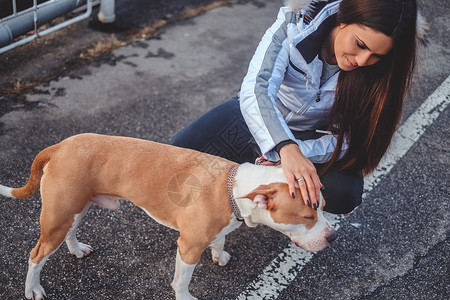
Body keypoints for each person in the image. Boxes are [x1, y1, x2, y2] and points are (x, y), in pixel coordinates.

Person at [170, 0, 427, 214]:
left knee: (344, 194)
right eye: (360, 45)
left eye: (376, 56)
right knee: (174, 161)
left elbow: (352, 139)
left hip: (308, 136)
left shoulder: (382, 72)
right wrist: (283, 147)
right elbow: (257, 88)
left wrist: (298, 153)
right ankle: (258, 168)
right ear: (342, 19)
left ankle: (277, 192)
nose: (362, 60)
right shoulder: (294, 24)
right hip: (258, 116)